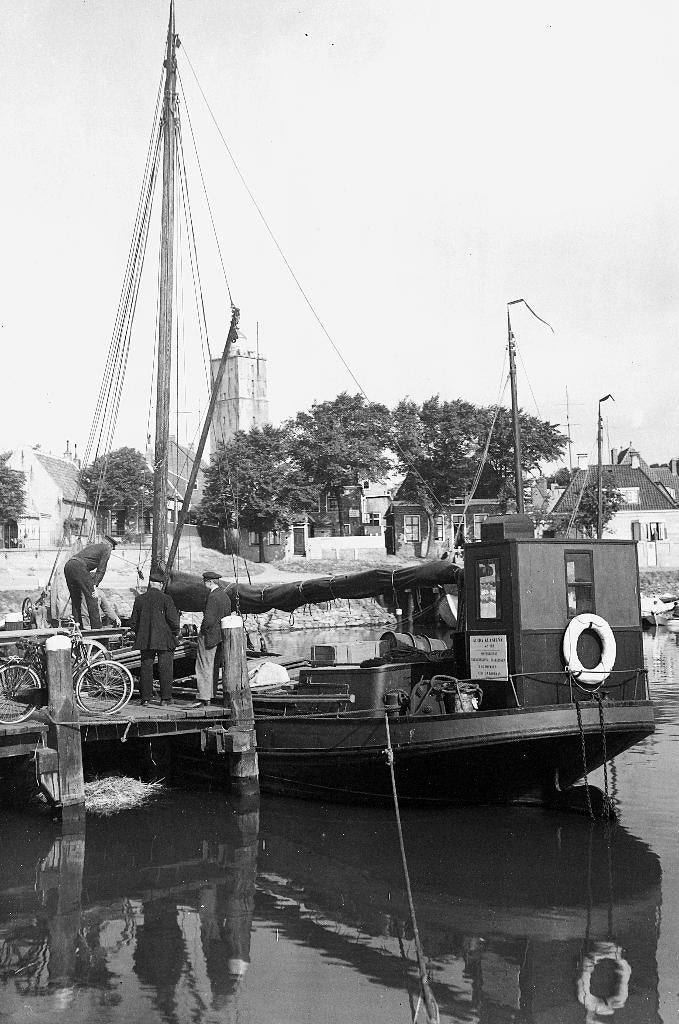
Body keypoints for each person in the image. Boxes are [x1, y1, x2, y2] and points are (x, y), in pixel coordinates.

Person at [130, 567, 180, 706]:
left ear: (150, 583)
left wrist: (139, 631)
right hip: (164, 639)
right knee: (165, 668)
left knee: (146, 667)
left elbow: (133, 622)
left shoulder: (139, 599)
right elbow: (173, 620)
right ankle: (165, 699)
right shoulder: (166, 598)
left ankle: (145, 698)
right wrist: (176, 631)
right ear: (160, 584)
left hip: (145, 639)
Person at [194, 569, 231, 708]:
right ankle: (211, 694)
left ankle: (204, 697)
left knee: (203, 666)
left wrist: (202, 631)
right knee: (214, 667)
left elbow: (208, 620)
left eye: (205, 582)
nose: (204, 584)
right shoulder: (224, 596)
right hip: (220, 637)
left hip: (208, 637)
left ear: (209, 582)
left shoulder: (213, 597)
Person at [63, 535, 117, 629]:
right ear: (111, 545)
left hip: (68, 565)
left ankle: (77, 625)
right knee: (92, 598)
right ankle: (97, 628)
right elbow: (101, 569)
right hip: (79, 566)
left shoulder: (94, 546)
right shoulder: (107, 548)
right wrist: (95, 586)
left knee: (76, 599)